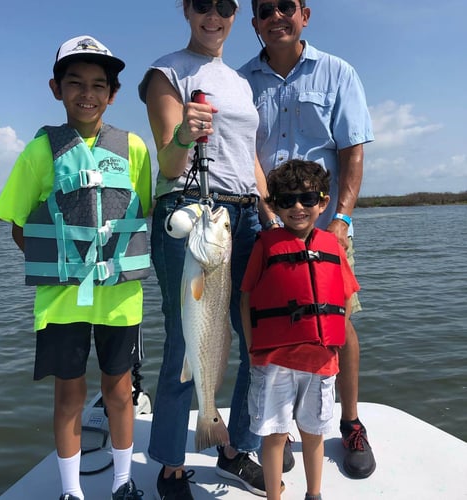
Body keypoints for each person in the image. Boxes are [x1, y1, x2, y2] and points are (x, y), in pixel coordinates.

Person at [137, 1, 290, 498]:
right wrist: (186, 132)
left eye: (225, 6)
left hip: (243, 216)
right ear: (186, 10)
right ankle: (170, 463)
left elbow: (249, 159)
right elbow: (169, 162)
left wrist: (269, 211)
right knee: (186, 340)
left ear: (234, 14)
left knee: (253, 339)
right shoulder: (167, 72)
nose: (214, 15)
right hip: (192, 212)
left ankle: (234, 445)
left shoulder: (241, 83)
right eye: (203, 4)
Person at [0, 35, 152, 500]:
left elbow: (142, 210)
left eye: (99, 85)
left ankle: (124, 483)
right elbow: (19, 225)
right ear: (55, 88)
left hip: (121, 298)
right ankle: (70, 492)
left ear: (113, 94)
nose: (88, 93)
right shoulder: (40, 152)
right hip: (61, 300)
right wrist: (64, 262)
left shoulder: (135, 149)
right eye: (75, 82)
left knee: (121, 393)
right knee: (69, 397)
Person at [239, 0, 376, 478]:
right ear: (254, 22)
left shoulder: (338, 72)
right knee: (265, 320)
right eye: (265, 9)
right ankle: (282, 425)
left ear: (305, 14)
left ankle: (350, 422)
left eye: (286, 6)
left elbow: (352, 149)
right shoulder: (241, 82)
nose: (277, 15)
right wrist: (264, 210)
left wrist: (342, 218)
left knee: (339, 321)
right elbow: (241, 152)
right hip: (264, 222)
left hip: (325, 222)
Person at [241, 159, 360, 500]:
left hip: (321, 363)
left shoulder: (332, 246)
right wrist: (253, 352)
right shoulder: (266, 245)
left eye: (308, 200)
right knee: (274, 434)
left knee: (313, 432)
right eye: (288, 200)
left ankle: (314, 493)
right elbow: (246, 299)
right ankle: (274, 495)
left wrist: (334, 341)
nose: (298, 208)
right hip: (273, 361)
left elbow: (346, 297)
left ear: (323, 203)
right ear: (275, 203)